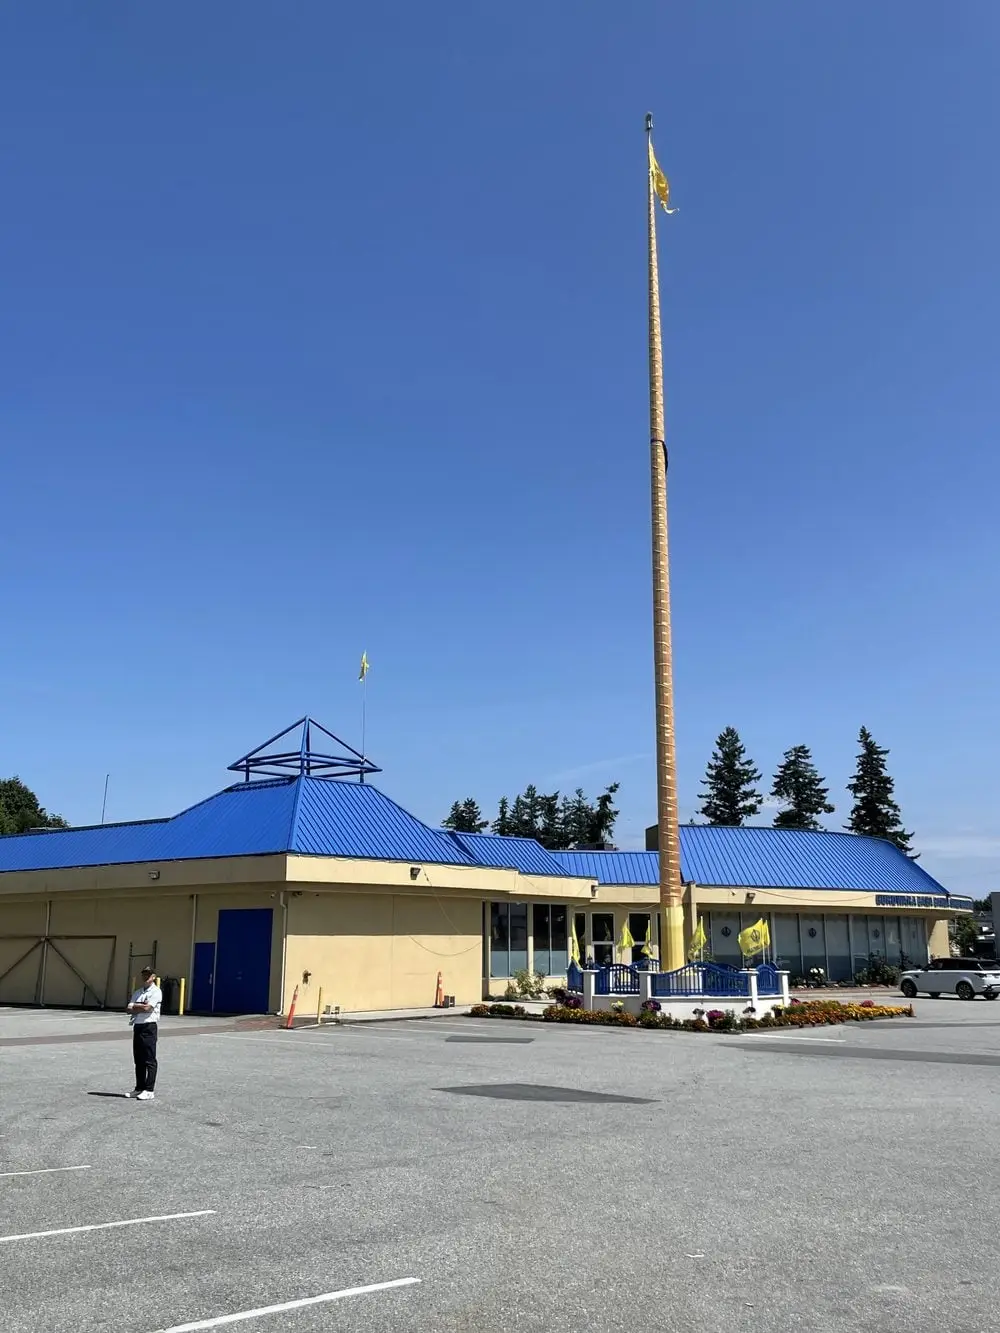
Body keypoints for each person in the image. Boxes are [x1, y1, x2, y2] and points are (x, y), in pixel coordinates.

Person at [126, 966, 162, 1101]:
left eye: (149, 975)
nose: (146, 977)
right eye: (144, 974)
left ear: (153, 977)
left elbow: (148, 1008)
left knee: (149, 1059)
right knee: (138, 1059)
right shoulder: (138, 992)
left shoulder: (156, 991)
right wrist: (138, 1006)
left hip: (149, 1026)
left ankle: (149, 1089)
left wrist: (136, 1006)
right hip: (138, 1026)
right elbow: (128, 1009)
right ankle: (139, 1088)